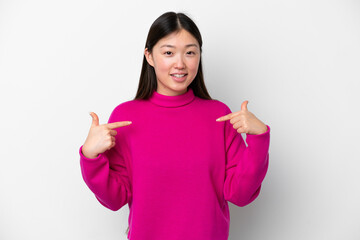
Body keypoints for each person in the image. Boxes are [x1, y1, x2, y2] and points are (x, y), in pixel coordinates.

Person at [79, 11, 270, 240]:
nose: (180, 64)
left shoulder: (219, 115)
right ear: (149, 56)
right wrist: (90, 156)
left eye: (190, 52)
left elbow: (240, 194)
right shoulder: (126, 117)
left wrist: (259, 138)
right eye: (168, 52)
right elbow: (114, 198)